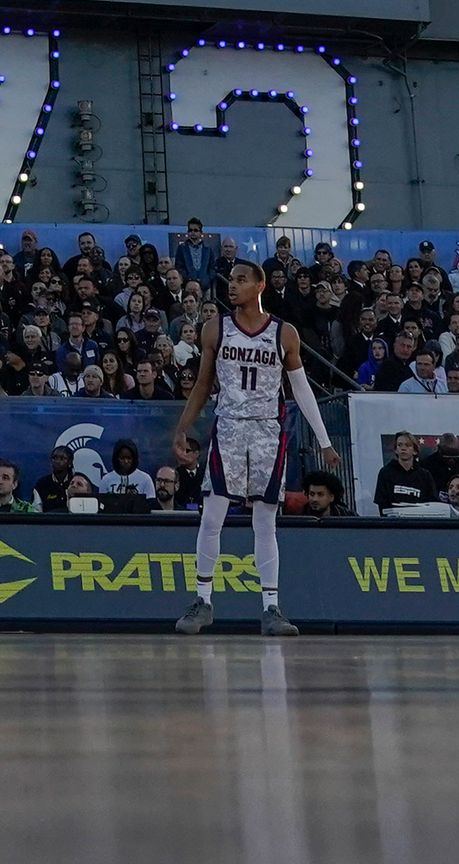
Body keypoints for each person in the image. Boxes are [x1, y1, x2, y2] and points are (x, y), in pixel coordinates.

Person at [166, 259, 339, 636]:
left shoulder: (284, 333)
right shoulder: (216, 328)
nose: (233, 285)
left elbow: (302, 389)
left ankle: (272, 607)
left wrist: (324, 441)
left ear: (260, 285)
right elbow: (202, 384)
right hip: (227, 428)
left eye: (241, 279)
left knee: (265, 522)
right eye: (231, 279)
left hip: (267, 432)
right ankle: (203, 600)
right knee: (211, 516)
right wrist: (182, 429)